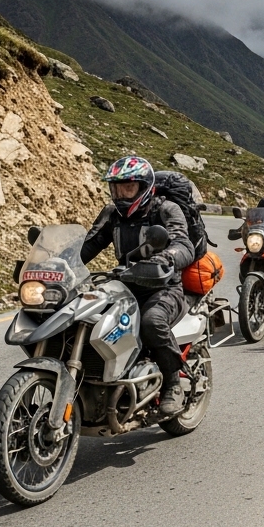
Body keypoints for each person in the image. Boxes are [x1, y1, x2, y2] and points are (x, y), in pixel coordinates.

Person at [80, 156, 195, 415]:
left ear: (145, 188)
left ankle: (173, 384)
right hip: (125, 287)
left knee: (152, 321)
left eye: (128, 188)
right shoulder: (112, 215)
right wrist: (58, 261)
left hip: (164, 289)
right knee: (86, 318)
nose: (121, 194)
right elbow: (88, 247)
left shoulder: (165, 210)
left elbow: (184, 246)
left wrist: (166, 257)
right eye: (117, 188)